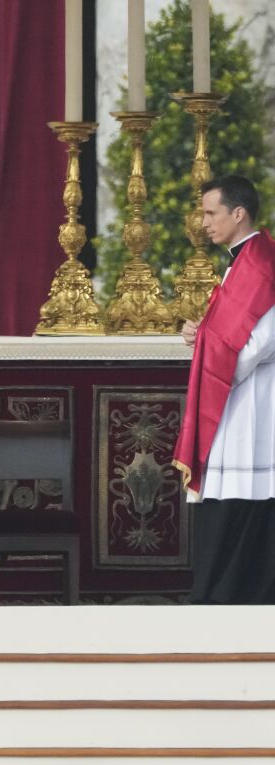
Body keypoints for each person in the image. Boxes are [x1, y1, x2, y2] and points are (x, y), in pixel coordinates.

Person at [173, 174, 275, 604]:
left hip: (255, 400)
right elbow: (230, 334)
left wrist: (210, 353)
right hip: (241, 400)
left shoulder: (260, 264)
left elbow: (258, 342)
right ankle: (222, 597)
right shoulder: (244, 261)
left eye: (211, 213)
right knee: (236, 499)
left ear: (239, 213)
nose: (204, 222)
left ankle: (226, 599)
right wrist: (203, 334)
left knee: (248, 500)